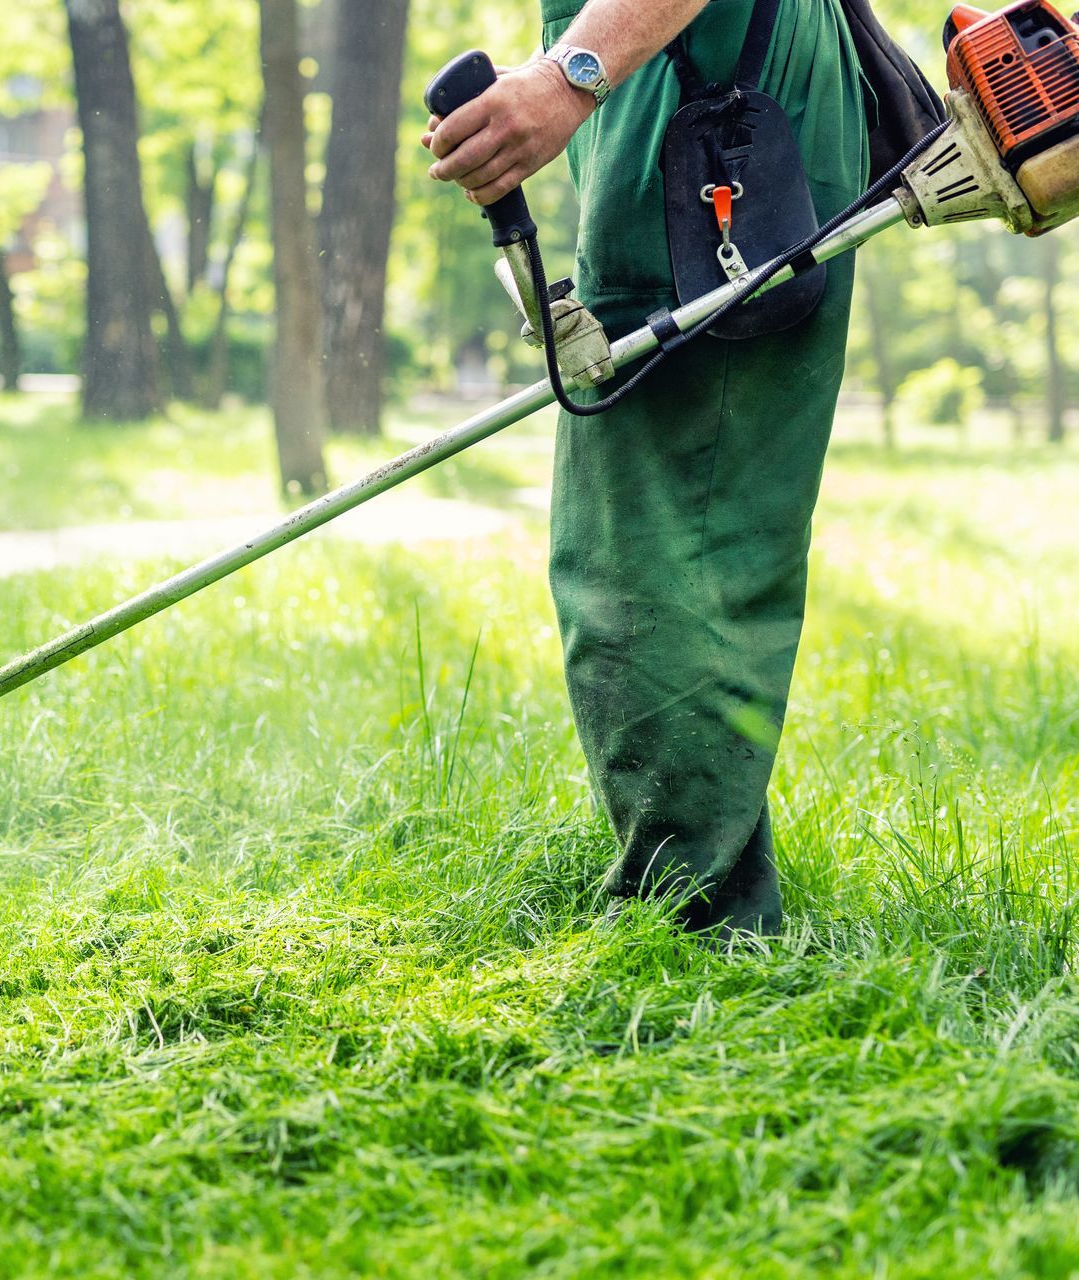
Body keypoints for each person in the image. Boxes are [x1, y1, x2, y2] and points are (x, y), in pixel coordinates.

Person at [422, 0, 869, 937]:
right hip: (687, 73)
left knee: (656, 535)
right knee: (669, 524)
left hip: (708, 87)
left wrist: (568, 75)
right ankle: (709, 894)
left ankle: (695, 923)